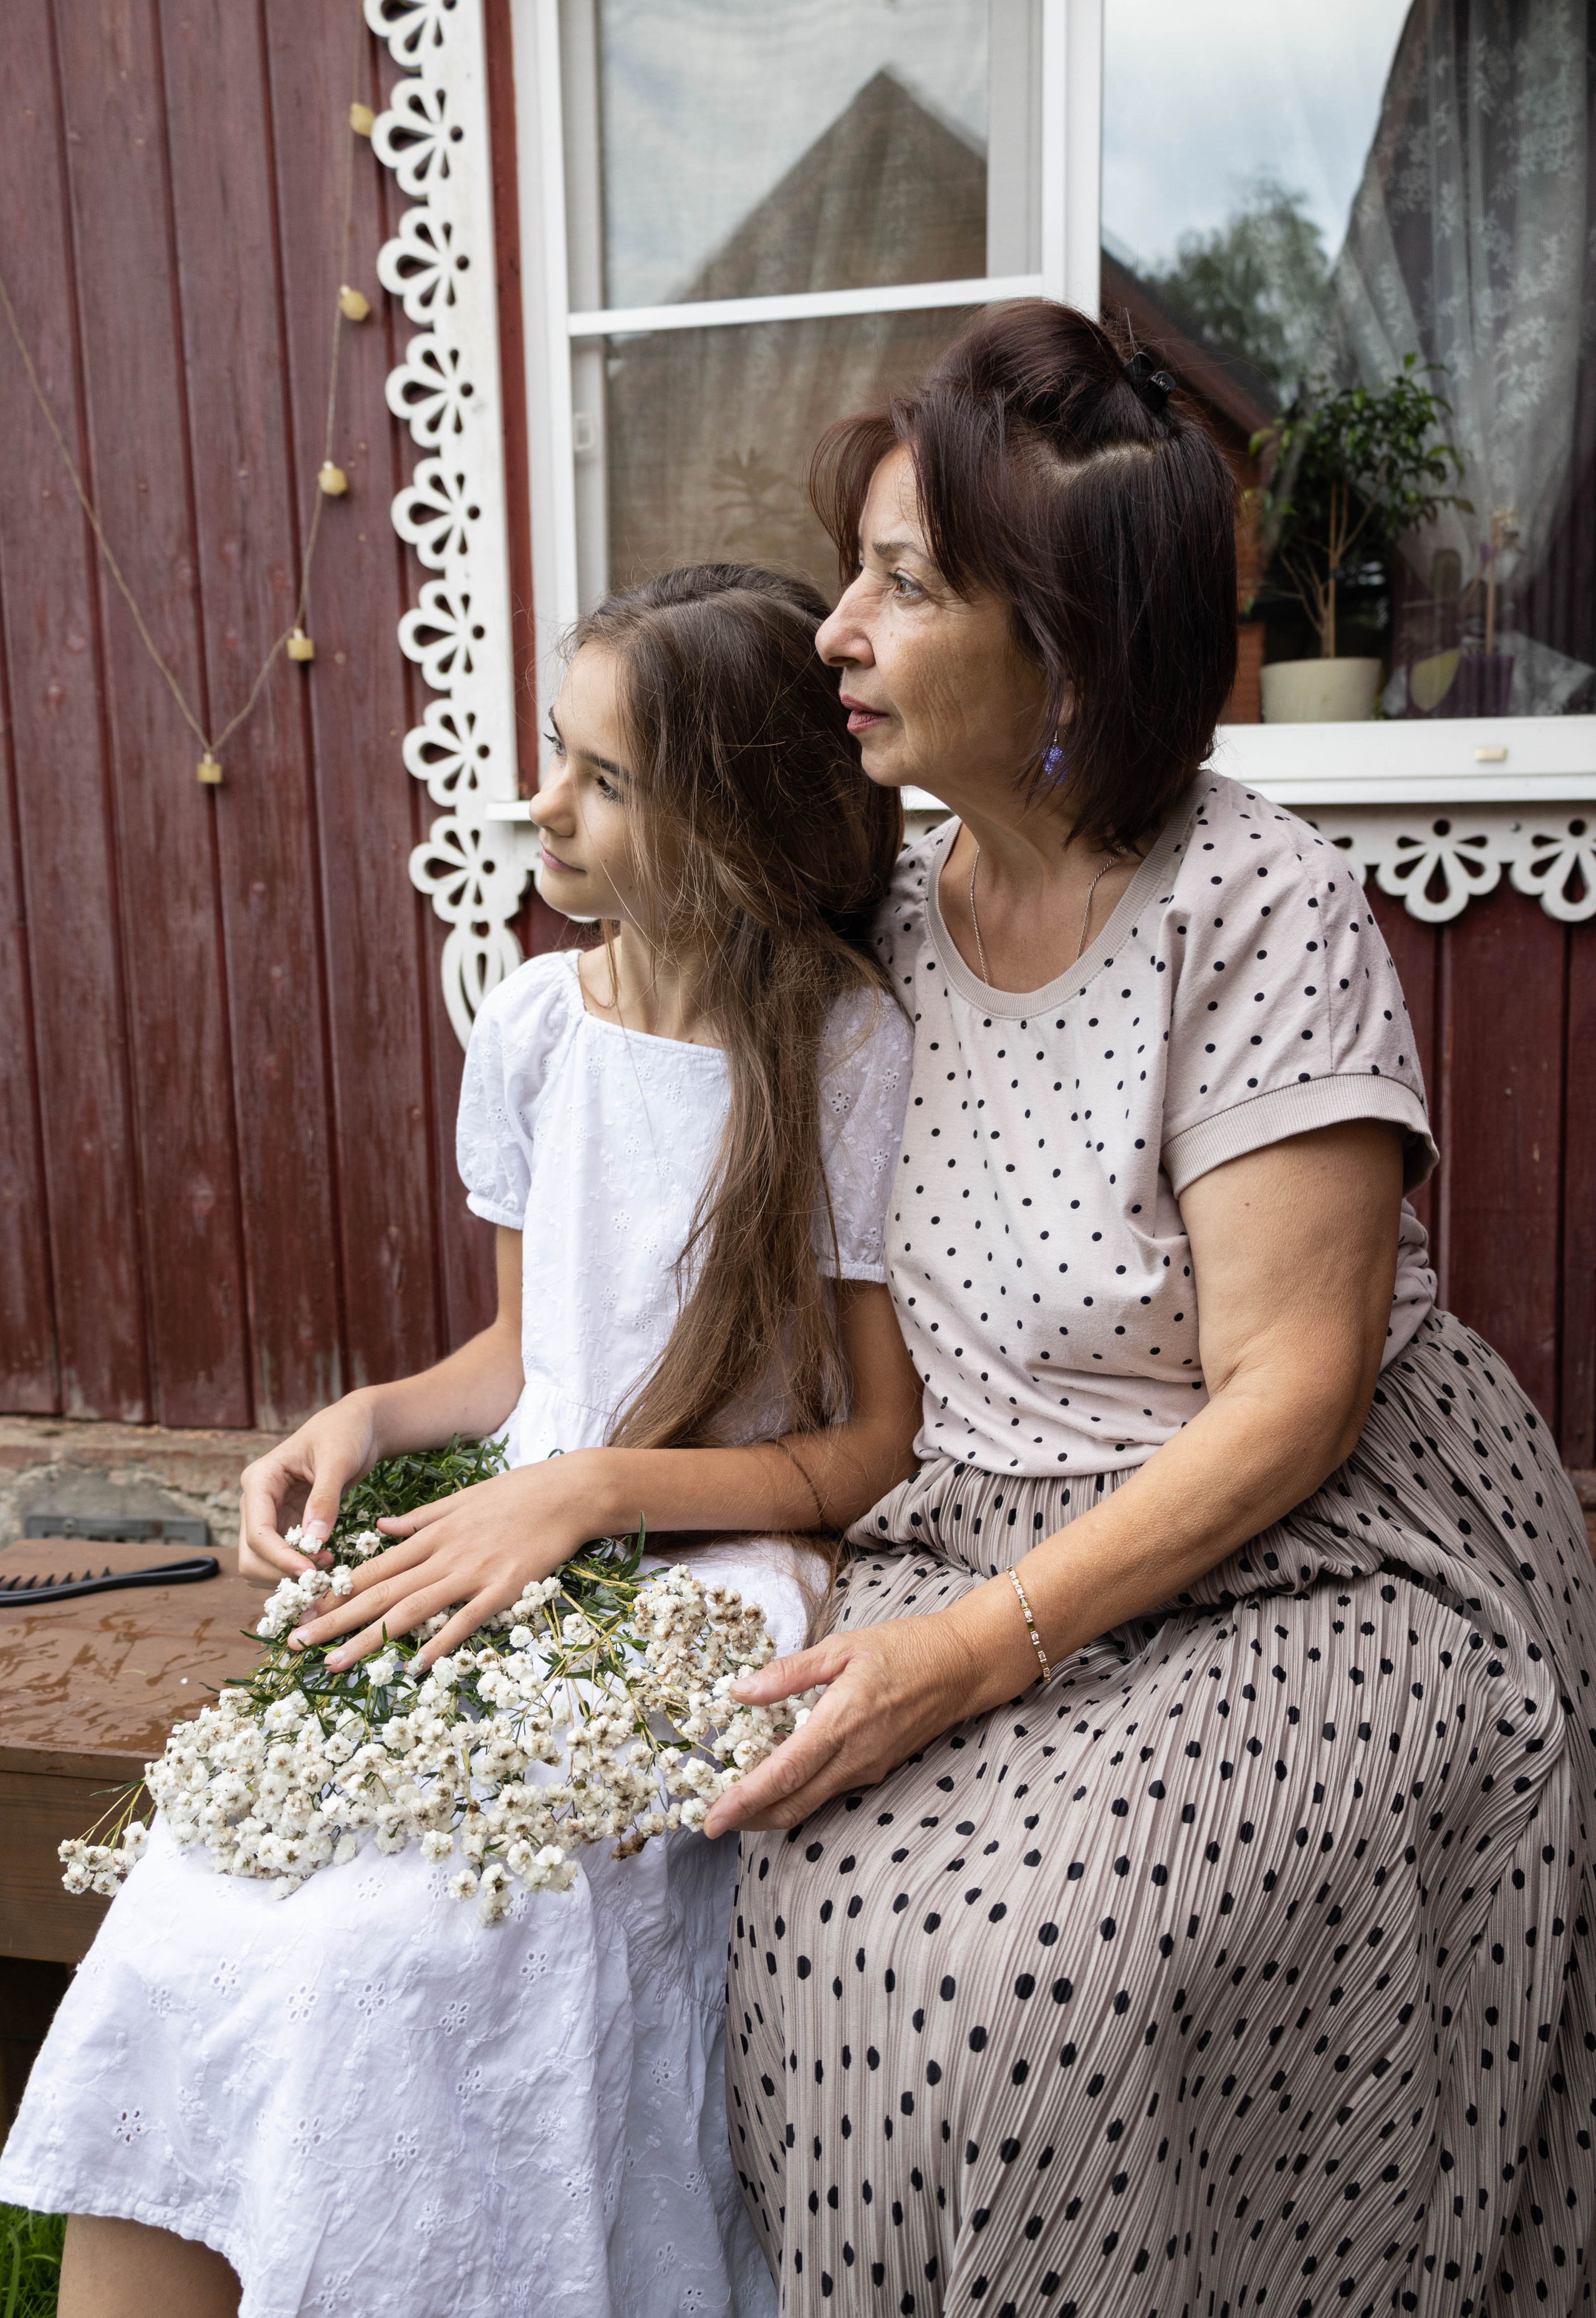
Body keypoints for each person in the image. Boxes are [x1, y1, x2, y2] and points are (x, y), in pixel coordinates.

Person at [702, 304, 1596, 2316]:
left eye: (904, 587)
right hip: (998, 1526)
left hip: (1322, 1549)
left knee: (1041, 1976)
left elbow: (1294, 1394)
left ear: (1067, 650)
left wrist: (977, 1650)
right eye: (855, 569)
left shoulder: (1253, 907)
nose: (836, 630)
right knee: (816, 1890)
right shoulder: (897, 920)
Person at [0, 565, 922, 2318]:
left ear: (726, 823)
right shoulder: (533, 1024)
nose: (543, 803)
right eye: (550, 751)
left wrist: (589, 1497)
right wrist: (362, 1415)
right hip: (517, 1536)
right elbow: (521, 1354)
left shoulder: (838, 1047)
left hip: (699, 1576)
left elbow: (872, 1443)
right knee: (201, 1903)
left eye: (603, 778)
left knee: (399, 1952)